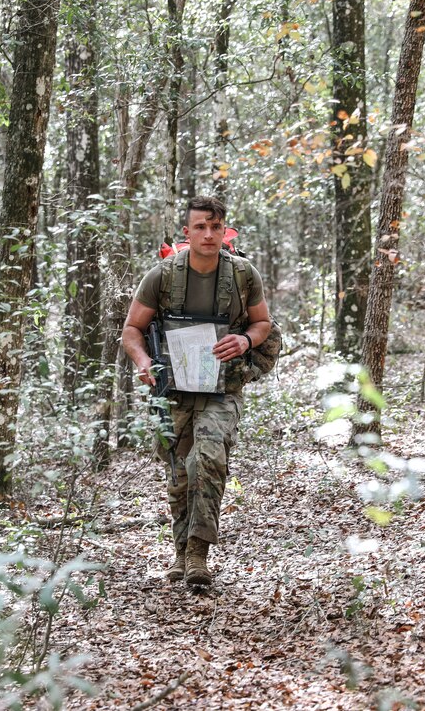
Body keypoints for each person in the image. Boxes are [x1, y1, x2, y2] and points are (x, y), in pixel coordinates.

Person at [121, 196, 272, 586]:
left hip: (222, 388)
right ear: (187, 232)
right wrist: (141, 361)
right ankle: (180, 552)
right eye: (200, 227)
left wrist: (245, 342)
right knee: (180, 473)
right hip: (173, 388)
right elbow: (132, 329)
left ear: (225, 231)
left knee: (208, 460)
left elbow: (263, 324)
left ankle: (198, 555)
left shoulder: (242, 274)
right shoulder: (163, 275)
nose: (208, 234)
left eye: (215, 226)